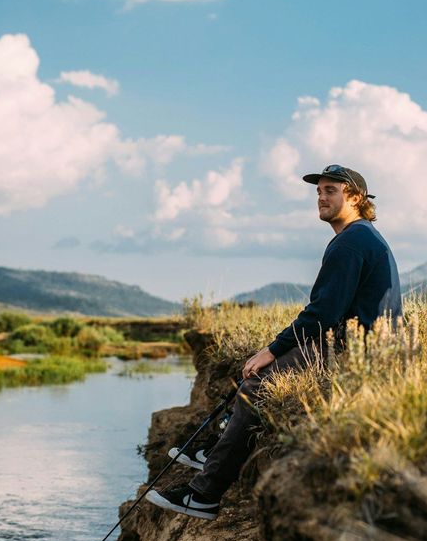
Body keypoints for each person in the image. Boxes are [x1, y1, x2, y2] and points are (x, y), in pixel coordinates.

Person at [146, 165, 402, 521]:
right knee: (261, 372)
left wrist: (271, 350)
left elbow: (322, 315)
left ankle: (203, 495)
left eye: (331, 190)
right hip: (359, 343)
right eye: (318, 192)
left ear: (356, 197)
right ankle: (216, 449)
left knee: (257, 385)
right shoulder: (362, 236)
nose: (322, 198)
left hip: (355, 350)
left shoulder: (352, 241)